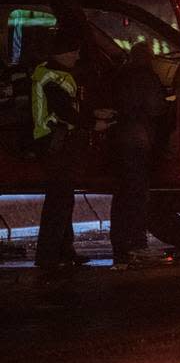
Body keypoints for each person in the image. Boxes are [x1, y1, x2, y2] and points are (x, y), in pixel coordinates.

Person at [30, 26, 112, 269]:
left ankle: (63, 251)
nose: (77, 56)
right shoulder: (51, 77)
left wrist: (94, 112)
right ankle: (48, 256)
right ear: (64, 52)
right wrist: (93, 123)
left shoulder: (56, 74)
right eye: (74, 52)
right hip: (56, 143)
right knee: (59, 200)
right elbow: (63, 112)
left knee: (63, 199)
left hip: (59, 141)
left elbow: (70, 107)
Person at [109, 42, 167, 268]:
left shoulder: (121, 75)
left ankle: (120, 243)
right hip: (138, 139)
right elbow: (156, 107)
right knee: (137, 193)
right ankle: (137, 243)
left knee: (122, 193)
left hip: (120, 138)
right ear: (149, 57)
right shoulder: (146, 77)